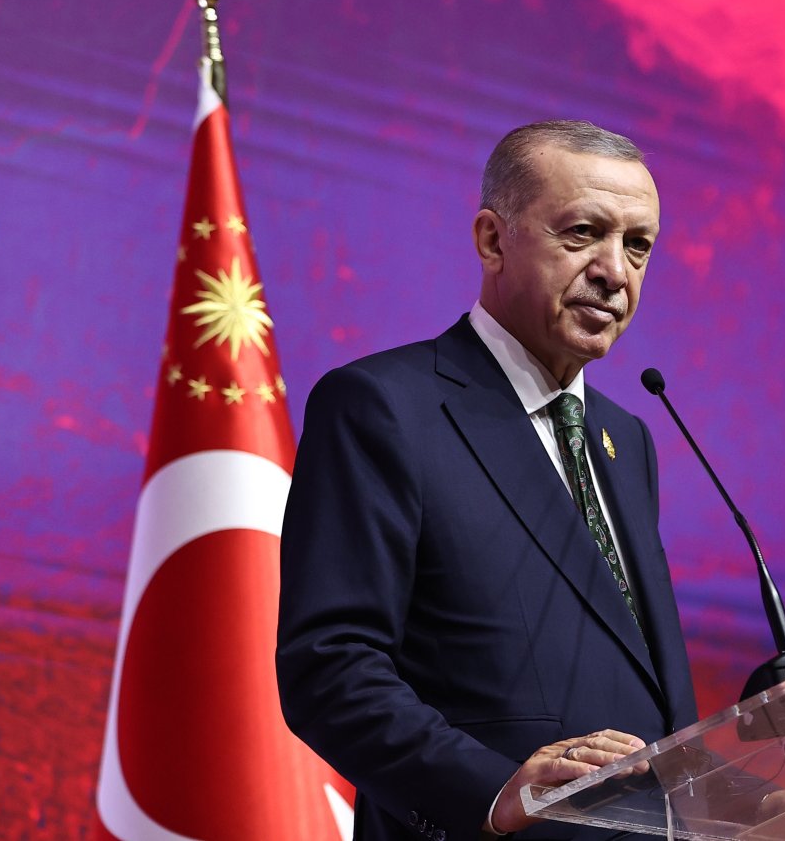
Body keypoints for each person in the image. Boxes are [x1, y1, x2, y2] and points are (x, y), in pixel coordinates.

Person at [277, 120, 698, 841]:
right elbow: (331, 667)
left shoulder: (626, 438)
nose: (614, 271)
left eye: (637, 246)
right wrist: (491, 791)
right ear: (493, 240)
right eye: (583, 234)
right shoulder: (385, 408)